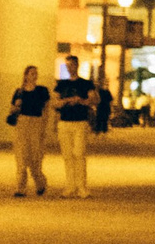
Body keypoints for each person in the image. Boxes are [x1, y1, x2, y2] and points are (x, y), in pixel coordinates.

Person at [52, 58, 95, 197]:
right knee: (67, 155)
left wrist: (81, 101)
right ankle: (70, 186)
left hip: (80, 122)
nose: (70, 68)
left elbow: (93, 99)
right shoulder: (61, 84)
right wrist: (66, 101)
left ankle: (82, 187)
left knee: (79, 153)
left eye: (72, 65)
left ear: (77, 65)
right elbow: (55, 103)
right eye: (68, 65)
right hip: (64, 122)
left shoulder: (86, 84)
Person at [8, 65, 50, 196]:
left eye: (36, 73)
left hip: (36, 123)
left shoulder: (42, 91)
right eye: (32, 73)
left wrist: (44, 126)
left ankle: (40, 182)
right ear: (26, 76)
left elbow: (46, 110)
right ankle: (20, 188)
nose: (34, 76)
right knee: (21, 156)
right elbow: (11, 110)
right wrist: (16, 106)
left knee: (35, 157)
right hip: (22, 123)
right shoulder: (19, 92)